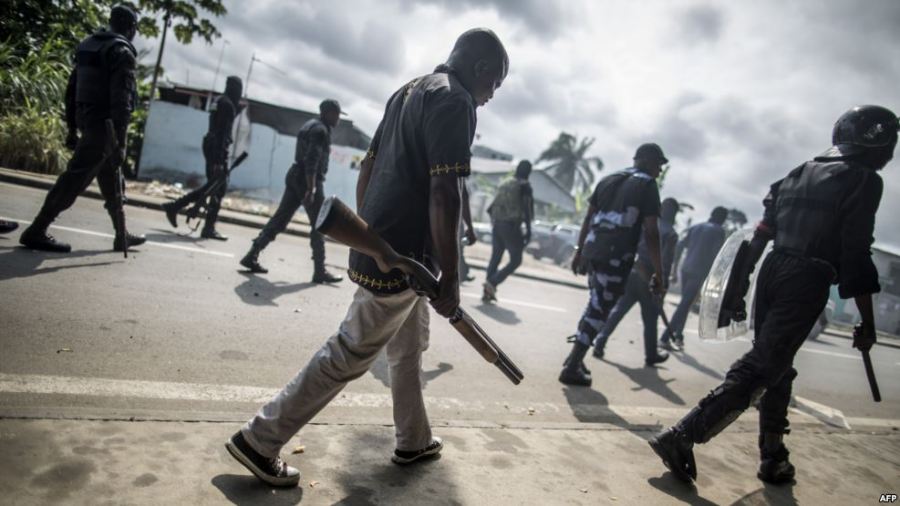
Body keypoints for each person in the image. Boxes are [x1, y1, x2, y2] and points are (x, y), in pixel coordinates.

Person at [224, 28, 509, 487]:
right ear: (479, 69)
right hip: (407, 256)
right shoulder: (457, 102)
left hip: (384, 247)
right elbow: (445, 192)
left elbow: (369, 169)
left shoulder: (408, 91)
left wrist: (371, 239)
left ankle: (413, 440)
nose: (491, 95)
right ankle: (260, 438)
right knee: (350, 352)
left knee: (409, 347)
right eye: (494, 83)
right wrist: (451, 274)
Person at [649, 105, 897, 485]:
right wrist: (866, 320)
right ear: (876, 138)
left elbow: (760, 236)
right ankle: (684, 434)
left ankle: (774, 457)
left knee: (777, 367)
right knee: (764, 365)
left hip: (773, 269)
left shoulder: (795, 174)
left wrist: (740, 288)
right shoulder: (863, 180)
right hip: (809, 275)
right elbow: (855, 252)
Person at [19, 5, 145, 253]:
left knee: (112, 181)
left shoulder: (89, 45)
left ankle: (121, 234)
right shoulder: (121, 52)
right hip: (105, 127)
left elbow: (71, 89)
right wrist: (121, 143)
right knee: (74, 179)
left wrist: (71, 127)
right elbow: (122, 103)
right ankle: (37, 229)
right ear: (131, 28)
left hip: (88, 119)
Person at [559, 143, 668, 387]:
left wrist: (579, 252)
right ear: (648, 161)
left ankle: (574, 358)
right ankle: (572, 366)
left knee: (595, 304)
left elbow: (588, 217)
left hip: (592, 251)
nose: (660, 171)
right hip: (615, 256)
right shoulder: (647, 185)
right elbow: (651, 231)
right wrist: (659, 273)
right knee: (600, 310)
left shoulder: (608, 179)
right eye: (659, 165)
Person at [239, 99, 344, 283]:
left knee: (280, 219)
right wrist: (311, 189)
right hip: (308, 180)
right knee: (320, 225)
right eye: (336, 114)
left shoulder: (308, 125)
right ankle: (319, 271)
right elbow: (312, 160)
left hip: (295, 175)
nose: (338, 119)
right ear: (327, 113)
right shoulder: (320, 131)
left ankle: (252, 254)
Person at [592, 197, 680, 366]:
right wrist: (662, 287)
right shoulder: (671, 234)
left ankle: (600, 342)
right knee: (650, 319)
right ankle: (651, 355)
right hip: (651, 280)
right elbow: (666, 263)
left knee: (619, 311)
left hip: (633, 273)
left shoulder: (647, 224)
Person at [161, 75, 243, 240]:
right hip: (217, 149)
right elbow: (223, 133)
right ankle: (204, 226)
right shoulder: (228, 105)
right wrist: (220, 160)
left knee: (213, 186)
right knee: (217, 188)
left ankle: (177, 207)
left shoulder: (218, 101)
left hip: (210, 144)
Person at [659, 206, 728, 351]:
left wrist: (674, 267)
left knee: (685, 304)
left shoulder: (696, 227)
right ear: (722, 219)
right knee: (684, 305)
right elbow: (717, 255)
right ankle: (665, 337)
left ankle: (678, 336)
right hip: (699, 272)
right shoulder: (718, 231)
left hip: (686, 269)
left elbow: (679, 245)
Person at [482, 160, 534, 302]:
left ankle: (487, 291)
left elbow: (492, 207)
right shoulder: (525, 186)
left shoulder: (505, 182)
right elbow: (527, 209)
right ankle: (492, 282)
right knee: (516, 260)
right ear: (528, 172)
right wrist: (528, 230)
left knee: (496, 257)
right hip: (511, 226)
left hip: (497, 224)